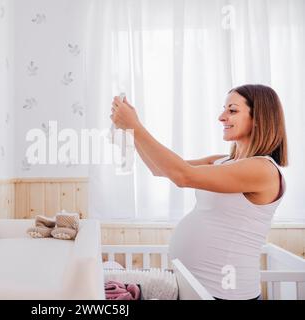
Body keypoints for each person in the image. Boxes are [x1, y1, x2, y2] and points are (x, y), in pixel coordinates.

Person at [110, 84, 288, 300]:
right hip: (199, 288)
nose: (221, 117)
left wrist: (135, 126)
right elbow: (160, 169)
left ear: (259, 118)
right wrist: (131, 130)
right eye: (224, 109)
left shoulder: (263, 169)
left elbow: (182, 176)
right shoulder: (222, 161)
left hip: (226, 294)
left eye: (232, 110)